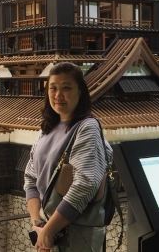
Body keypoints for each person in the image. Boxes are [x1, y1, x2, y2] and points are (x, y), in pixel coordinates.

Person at [24, 62, 112, 252]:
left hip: (77, 233)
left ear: (80, 92)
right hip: (49, 229)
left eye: (66, 88)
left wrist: (49, 229)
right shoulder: (46, 129)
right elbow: (31, 177)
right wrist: (37, 221)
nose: (58, 95)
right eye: (53, 88)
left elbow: (86, 183)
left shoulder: (86, 128)